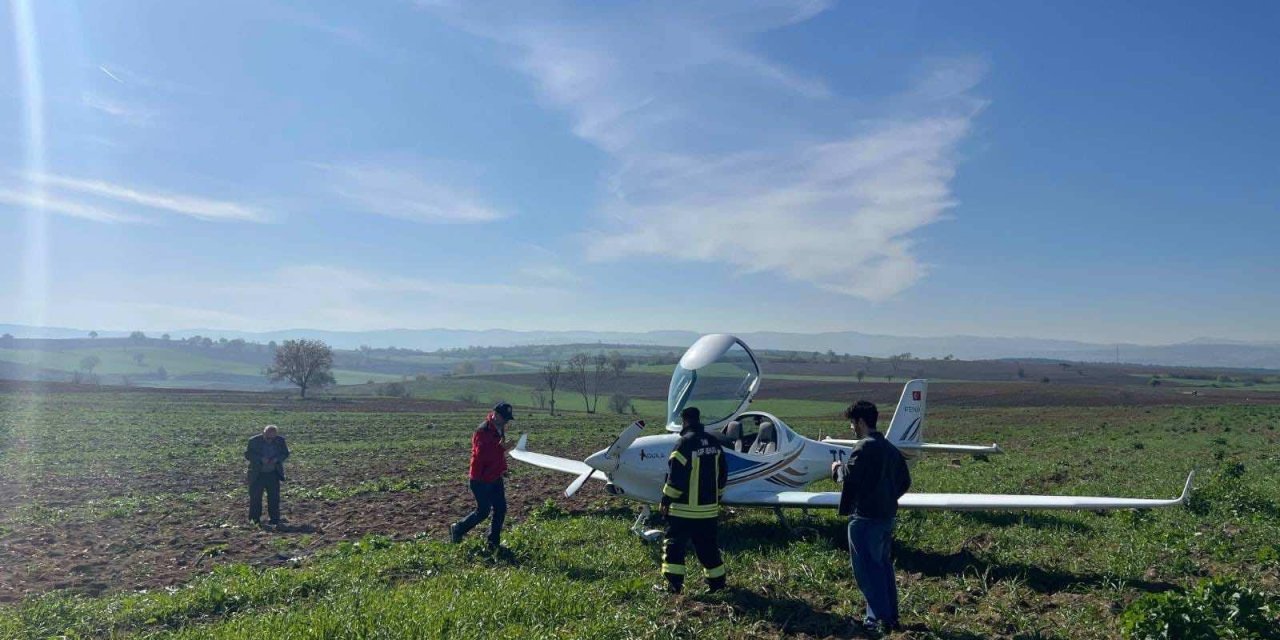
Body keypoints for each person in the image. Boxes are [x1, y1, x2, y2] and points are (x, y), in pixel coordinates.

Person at [831, 401, 911, 633]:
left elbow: (850, 477)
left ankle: (875, 621)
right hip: (886, 517)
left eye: (853, 423)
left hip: (864, 518)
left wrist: (837, 467)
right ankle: (890, 617)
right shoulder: (890, 448)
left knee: (867, 570)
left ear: (861, 422)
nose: (852, 428)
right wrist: (887, 497)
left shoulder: (863, 447)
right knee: (883, 567)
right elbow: (905, 481)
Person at [658, 406, 728, 594]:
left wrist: (666, 499)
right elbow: (723, 474)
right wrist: (717, 497)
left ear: (685, 421)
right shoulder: (715, 443)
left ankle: (674, 586)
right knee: (708, 549)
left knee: (674, 548)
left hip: (683, 510)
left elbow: (676, 478)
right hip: (708, 511)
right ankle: (717, 585)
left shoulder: (684, 444)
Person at [450, 402, 517, 550]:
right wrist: (501, 448)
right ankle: (458, 529)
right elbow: (482, 455)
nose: (506, 421)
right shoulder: (482, 431)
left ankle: (493, 543)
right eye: (504, 418)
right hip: (480, 478)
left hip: (495, 476)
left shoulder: (499, 428)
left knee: (500, 508)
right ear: (495, 415)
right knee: (483, 511)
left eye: (508, 419)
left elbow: (497, 456)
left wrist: (503, 469)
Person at [244, 424, 290, 526]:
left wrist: (277, 459)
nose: (270, 439)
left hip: (273, 474)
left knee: (274, 498)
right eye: (268, 437)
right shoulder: (253, 441)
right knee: (255, 498)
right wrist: (260, 459)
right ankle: (254, 520)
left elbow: (285, 453)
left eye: (272, 437)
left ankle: (275, 520)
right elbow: (248, 454)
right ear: (264, 433)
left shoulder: (280, 441)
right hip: (257, 474)